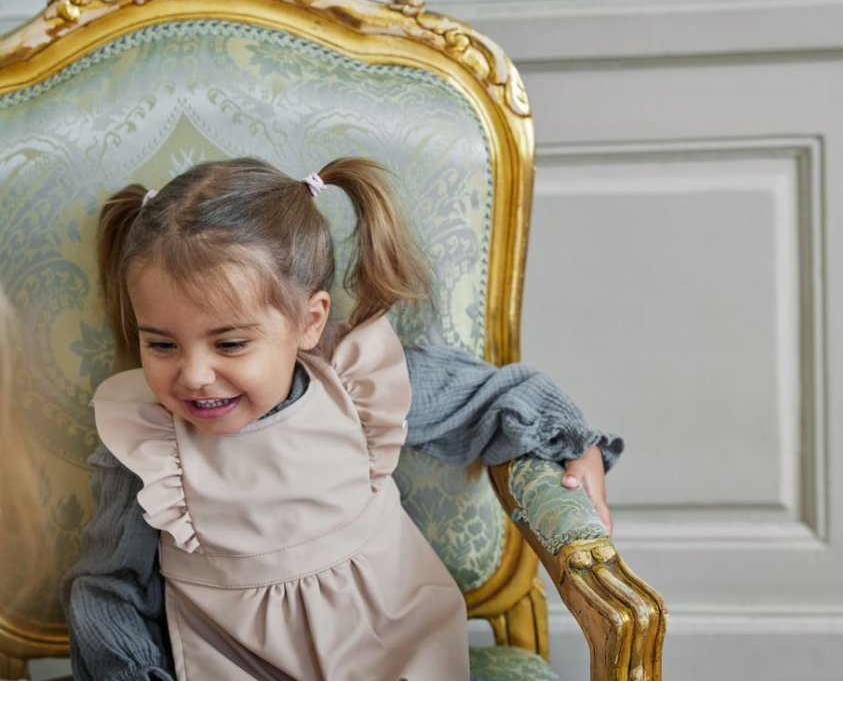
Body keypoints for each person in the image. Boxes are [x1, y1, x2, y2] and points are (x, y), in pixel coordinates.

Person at [64, 157, 621, 681]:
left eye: (230, 344)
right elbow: (109, 589)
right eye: (162, 345)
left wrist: (574, 442)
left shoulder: (354, 383)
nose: (194, 375)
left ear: (309, 321)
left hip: (393, 653)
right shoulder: (148, 444)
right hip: (237, 671)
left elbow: (490, 396)